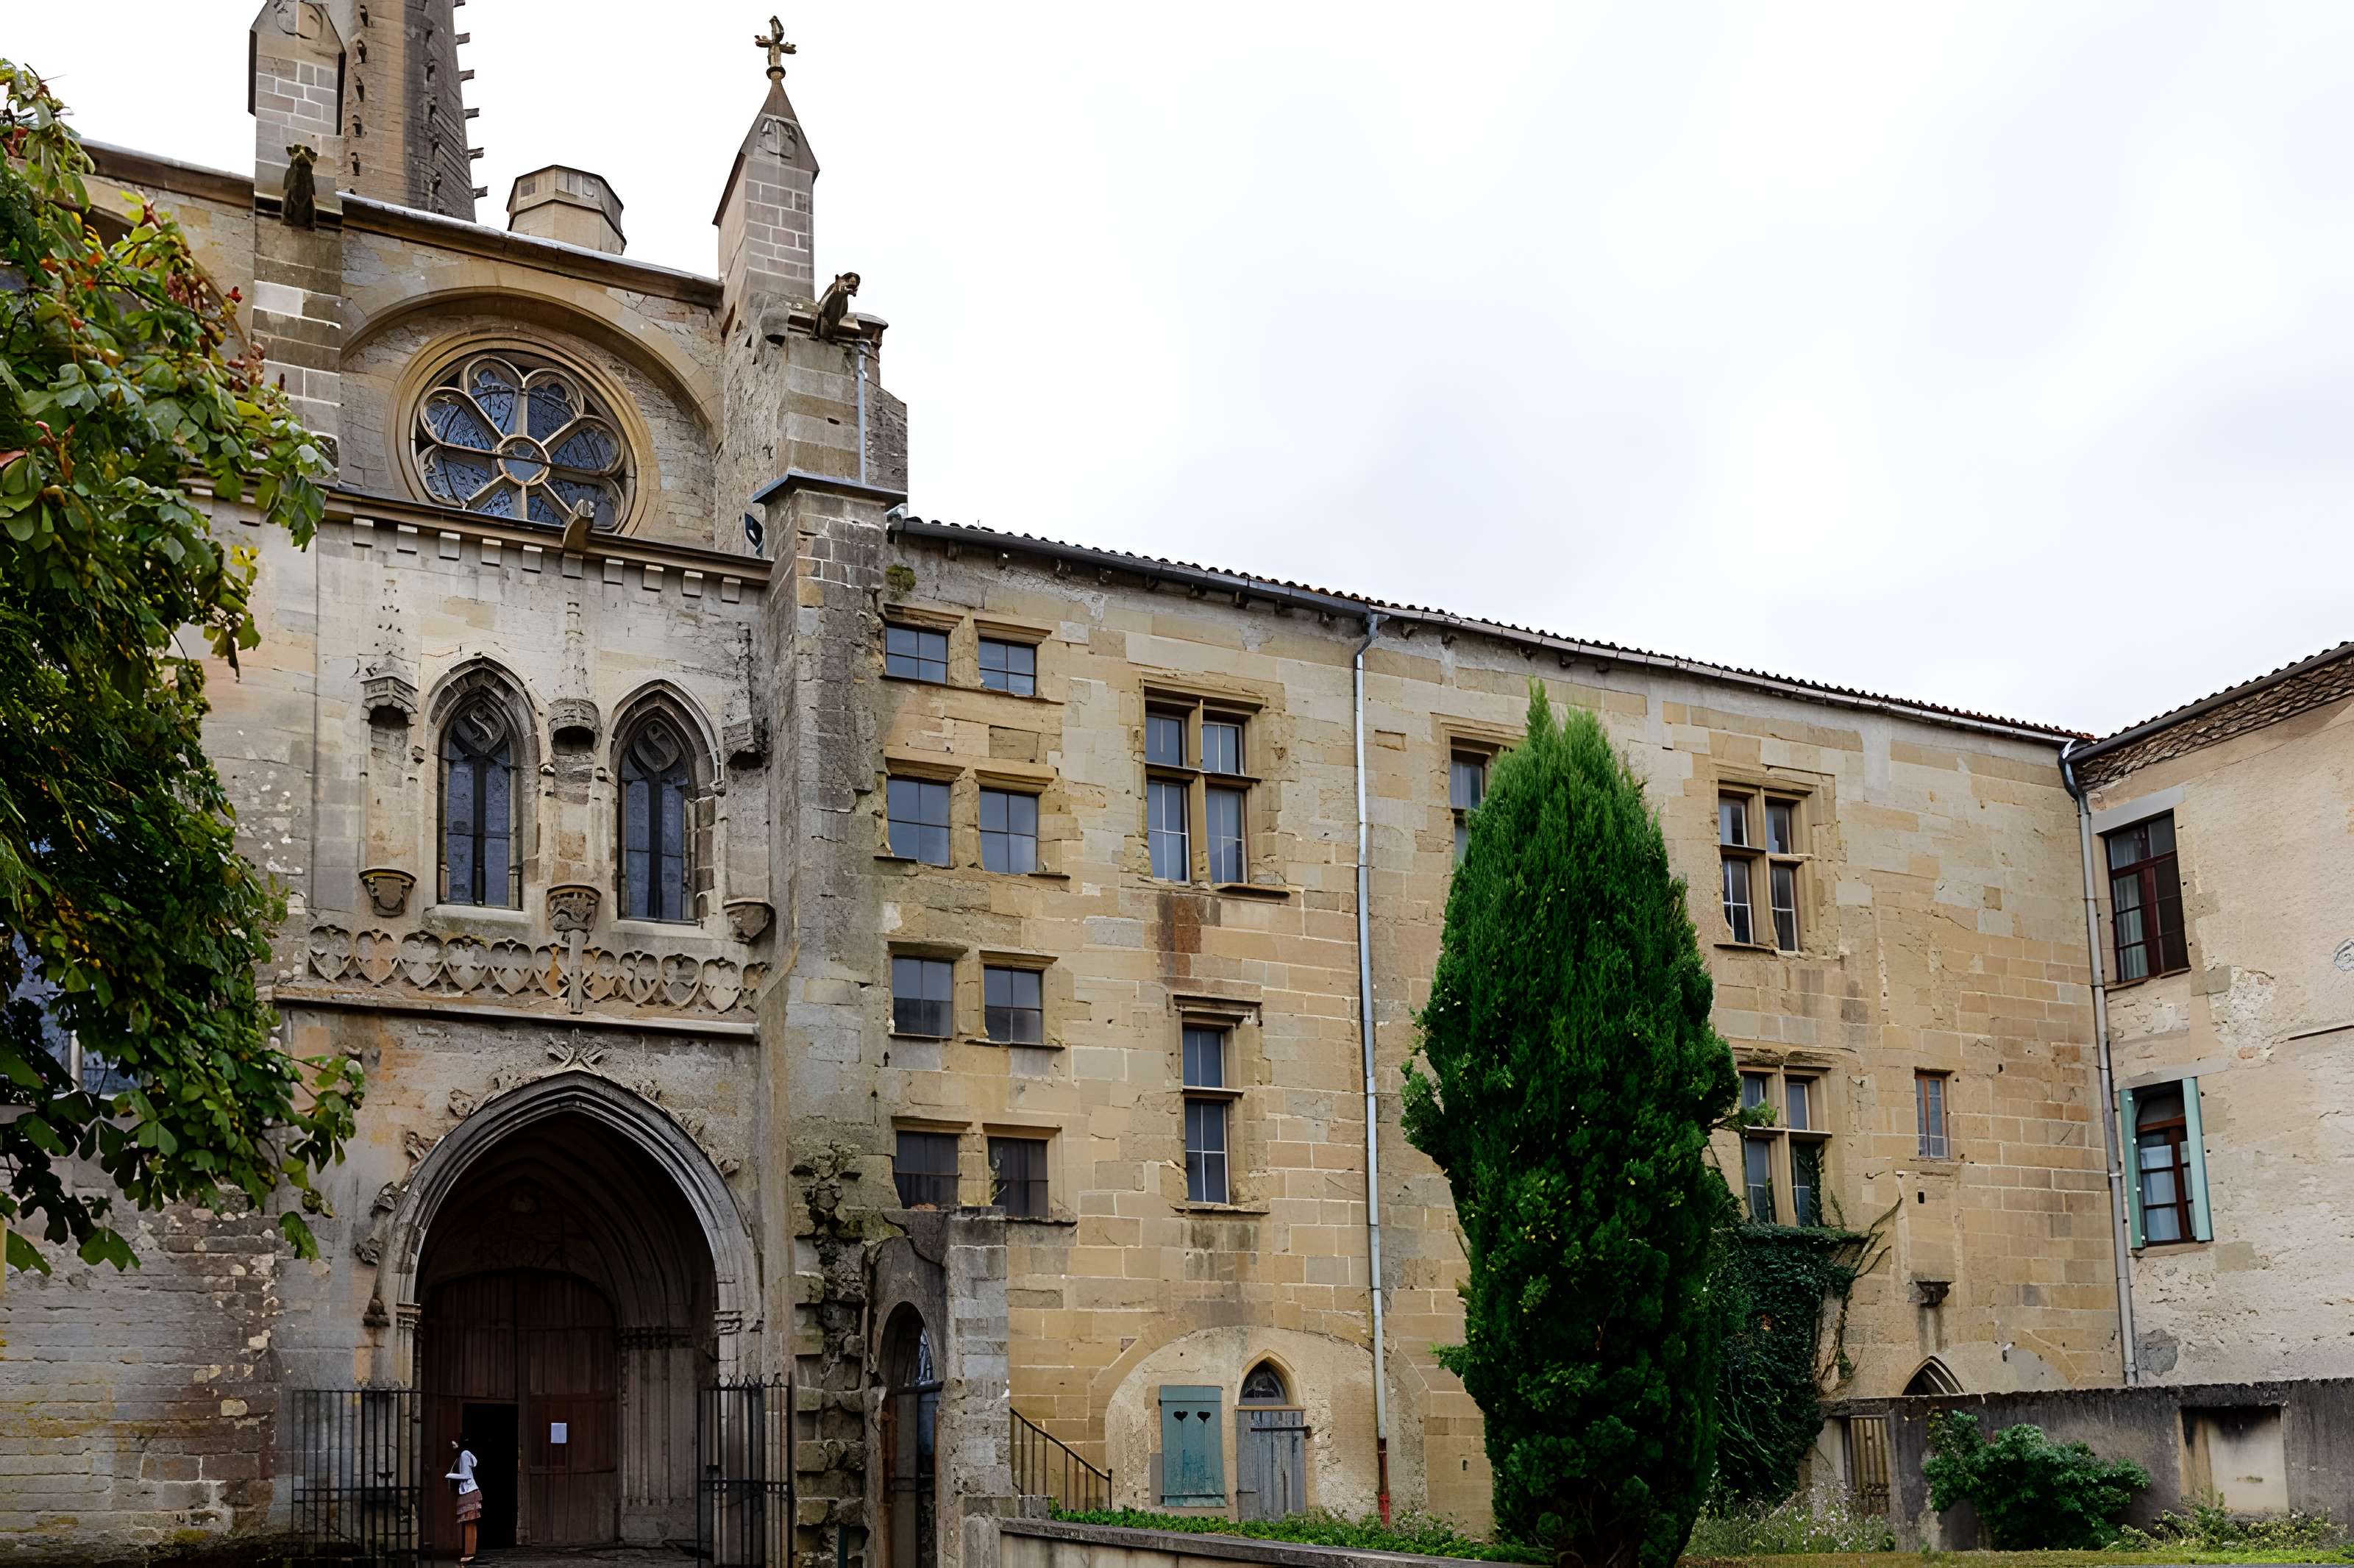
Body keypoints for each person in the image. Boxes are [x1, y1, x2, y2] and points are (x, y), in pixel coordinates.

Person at [446, 1433, 481, 1564]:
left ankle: (470, 1552)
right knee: (468, 1522)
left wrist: (450, 1475)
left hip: (469, 1491)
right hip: (467, 1491)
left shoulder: (465, 1454)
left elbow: (466, 1475)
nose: (453, 1445)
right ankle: (469, 1551)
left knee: (470, 1522)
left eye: (455, 1442)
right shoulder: (463, 1455)